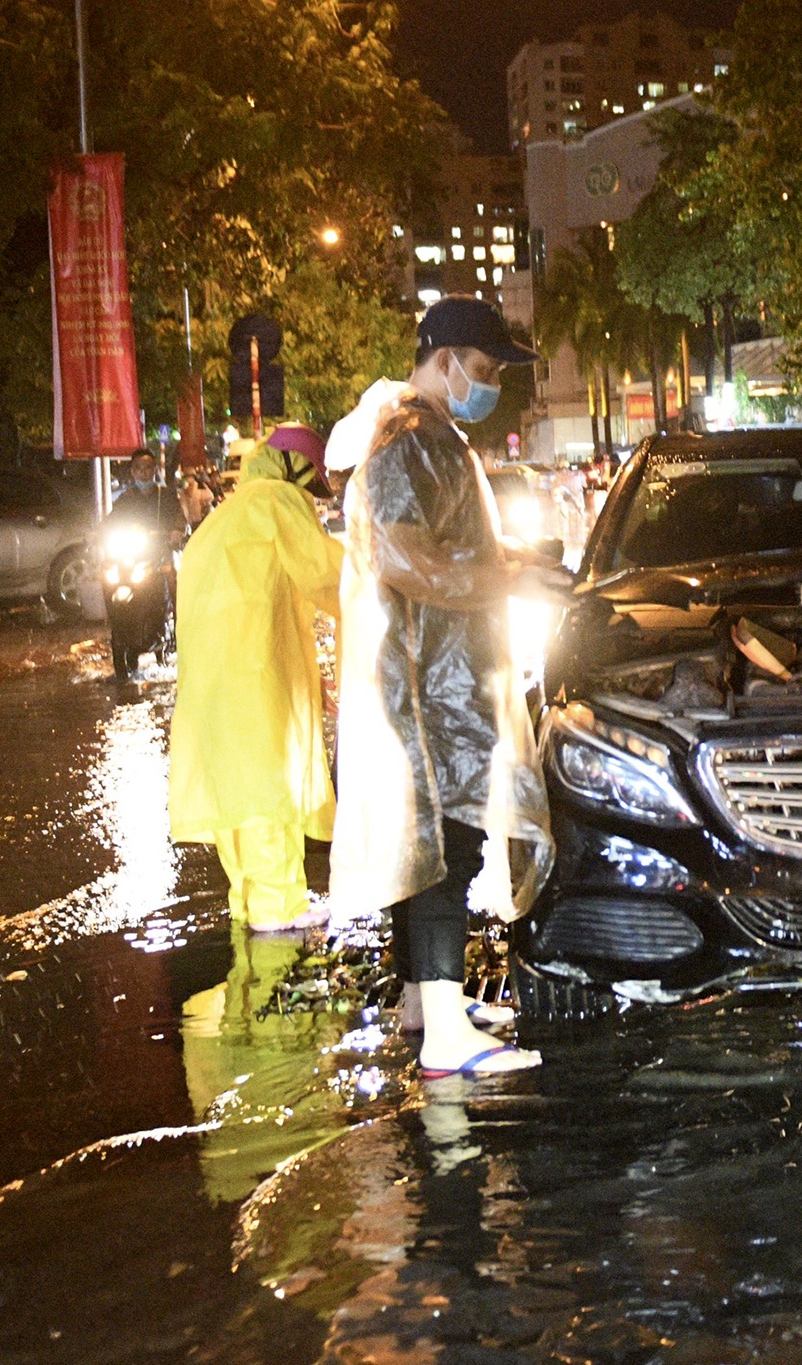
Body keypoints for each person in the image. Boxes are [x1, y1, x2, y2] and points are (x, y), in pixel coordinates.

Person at [330, 296, 565, 1079]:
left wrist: (516, 562)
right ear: (445, 359)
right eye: (487, 369)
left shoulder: (433, 440)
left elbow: (447, 545)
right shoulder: (404, 442)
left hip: (447, 682)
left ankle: (421, 1003)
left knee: (434, 845)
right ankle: (444, 1040)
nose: (491, 384)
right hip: (432, 693)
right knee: (444, 851)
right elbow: (407, 561)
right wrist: (503, 575)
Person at [168, 426, 345, 932]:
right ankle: (278, 907)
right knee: (271, 787)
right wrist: (390, 588)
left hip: (212, 683)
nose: (310, 497)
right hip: (258, 675)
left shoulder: (224, 515)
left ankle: (250, 900)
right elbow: (324, 574)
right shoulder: (277, 501)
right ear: (297, 470)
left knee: (237, 794)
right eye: (312, 484)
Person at [109, 451, 186, 544]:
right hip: (133, 547)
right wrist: (95, 532)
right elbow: (112, 517)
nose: (143, 472)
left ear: (154, 470)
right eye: (138, 468)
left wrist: (178, 530)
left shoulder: (167, 495)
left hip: (163, 546)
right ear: (133, 472)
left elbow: (179, 515)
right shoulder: (127, 497)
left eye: (147, 467)